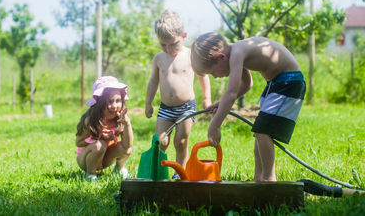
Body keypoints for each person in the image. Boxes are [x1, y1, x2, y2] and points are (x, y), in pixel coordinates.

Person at [191, 32, 306, 182]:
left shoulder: (238, 52)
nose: (215, 77)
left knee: (263, 132)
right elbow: (246, 85)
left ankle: (269, 179)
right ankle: (258, 178)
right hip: (276, 83)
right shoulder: (236, 51)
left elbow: (231, 92)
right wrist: (221, 104)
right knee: (259, 133)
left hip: (288, 81)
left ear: (221, 57)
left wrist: (215, 126)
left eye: (212, 72)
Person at [145, 10, 212, 177]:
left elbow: (203, 76)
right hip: (165, 108)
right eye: (163, 44)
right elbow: (153, 82)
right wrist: (148, 103)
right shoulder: (159, 58)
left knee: (180, 141)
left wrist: (206, 98)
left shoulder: (190, 55)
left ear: (184, 35)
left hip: (186, 107)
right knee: (160, 141)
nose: (168, 49)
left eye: (173, 44)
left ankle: (179, 173)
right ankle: (158, 172)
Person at [76, 76, 133, 182]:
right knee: (99, 145)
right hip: (86, 159)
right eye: (110, 101)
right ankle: (90, 174)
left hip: (104, 158)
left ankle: (119, 169)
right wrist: (98, 137)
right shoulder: (90, 120)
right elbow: (78, 142)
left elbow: (127, 145)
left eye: (118, 101)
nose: (114, 106)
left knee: (127, 150)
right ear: (99, 103)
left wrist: (127, 124)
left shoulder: (119, 120)